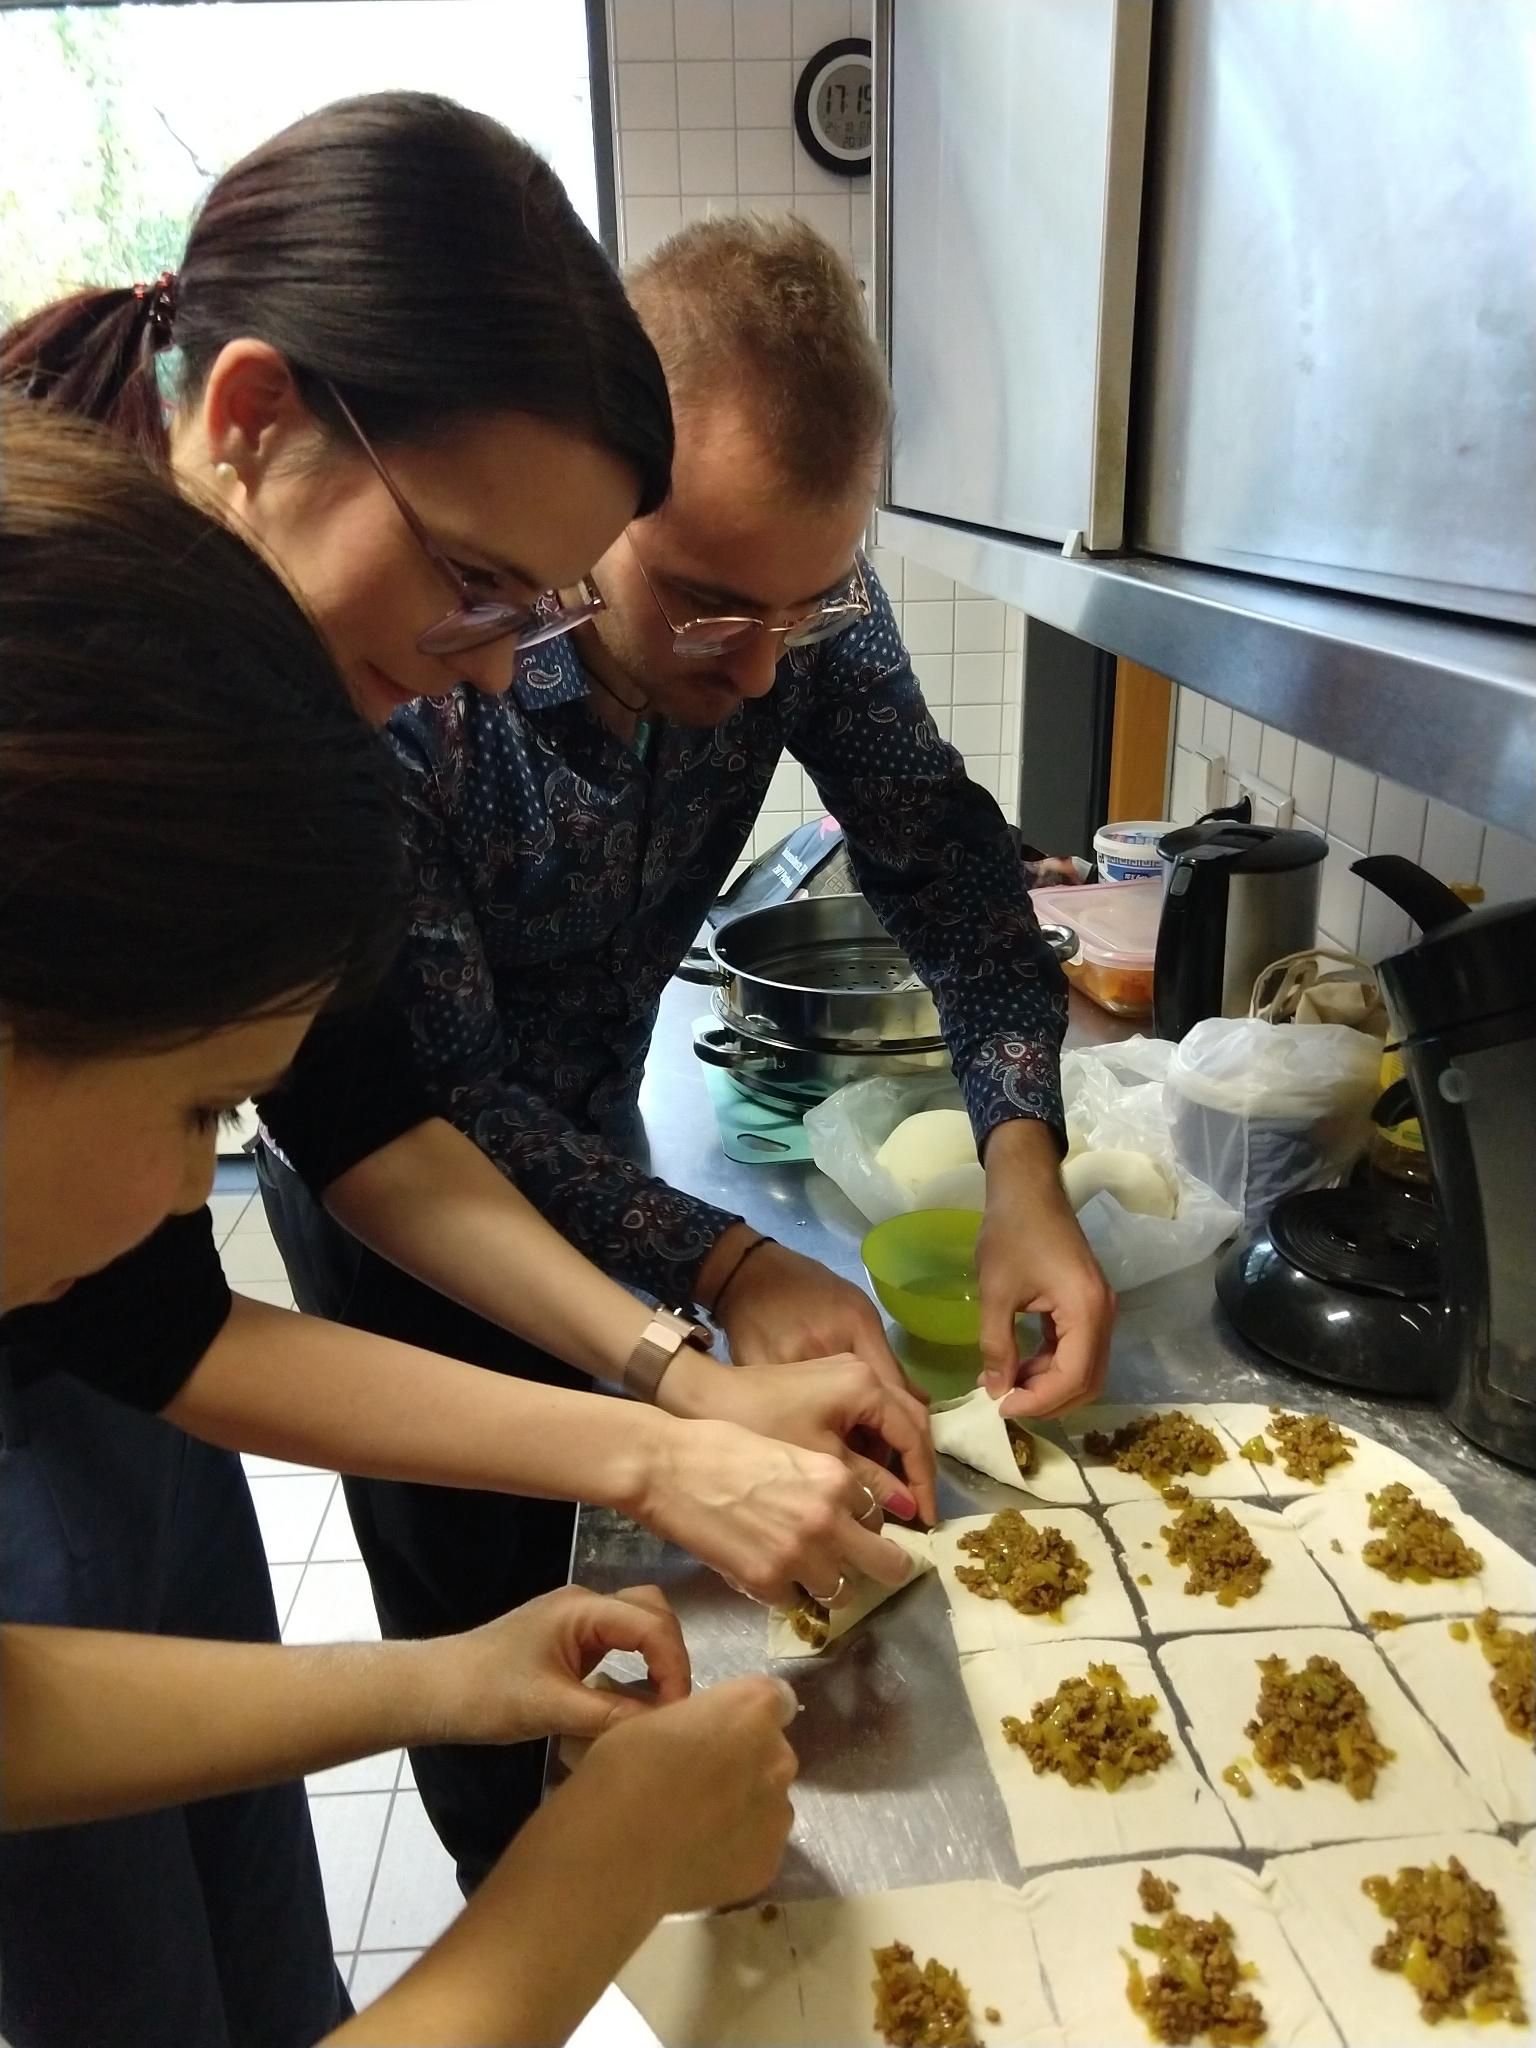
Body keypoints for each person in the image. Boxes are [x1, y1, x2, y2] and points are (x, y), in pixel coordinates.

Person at [0, 98, 930, 2039]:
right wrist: (568, 1893)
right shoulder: (92, 713)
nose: (511, 671)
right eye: (484, 583)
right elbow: (191, 1277)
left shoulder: (261, 713)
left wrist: (541, 1567)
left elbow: (210, 1258)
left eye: (550, 601)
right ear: (251, 418)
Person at [260, 212, 1116, 1883]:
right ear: (596, 508)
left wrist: (1026, 1164)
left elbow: (944, 870)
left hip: (613, 1177)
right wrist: (718, 1270)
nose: (759, 670)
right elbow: (415, 1103)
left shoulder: (797, 610)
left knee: (639, 1565)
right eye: (707, 605)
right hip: (405, 1205)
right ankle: (512, 1896)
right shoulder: (428, 686)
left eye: (802, 613)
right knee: (483, 1619)